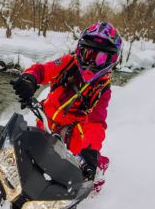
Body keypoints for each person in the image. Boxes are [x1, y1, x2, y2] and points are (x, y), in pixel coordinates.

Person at [11, 21, 122, 182]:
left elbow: (96, 122)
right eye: (88, 54)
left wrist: (90, 151)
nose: (91, 62)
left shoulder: (103, 88)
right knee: (26, 159)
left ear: (110, 60)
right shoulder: (68, 63)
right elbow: (43, 70)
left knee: (82, 177)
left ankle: (91, 192)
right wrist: (30, 79)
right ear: (79, 50)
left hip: (73, 138)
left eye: (100, 58)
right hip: (45, 123)